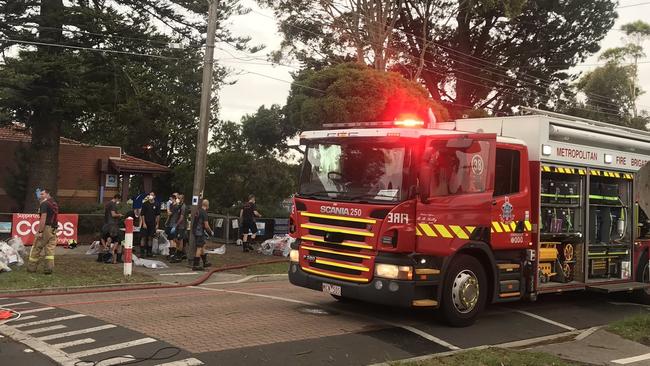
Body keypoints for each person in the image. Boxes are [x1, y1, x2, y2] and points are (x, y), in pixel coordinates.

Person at [27, 188, 59, 274]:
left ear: (48, 194)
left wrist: (40, 231)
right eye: (40, 194)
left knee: (37, 247)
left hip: (46, 228)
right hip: (54, 229)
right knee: (50, 249)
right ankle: (49, 269)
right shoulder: (53, 203)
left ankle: (31, 268)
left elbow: (43, 218)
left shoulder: (44, 204)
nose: (40, 195)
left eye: (42, 194)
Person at [192, 199, 214, 271]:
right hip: (200, 232)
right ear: (207, 205)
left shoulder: (198, 211)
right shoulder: (204, 213)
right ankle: (196, 265)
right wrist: (210, 232)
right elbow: (206, 225)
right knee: (199, 248)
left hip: (196, 231)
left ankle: (205, 262)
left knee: (202, 245)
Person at [101, 194, 123, 262]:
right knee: (118, 241)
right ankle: (117, 258)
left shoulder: (108, 204)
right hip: (112, 225)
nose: (118, 201)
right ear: (117, 198)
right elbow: (113, 214)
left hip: (106, 224)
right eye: (118, 200)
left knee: (108, 239)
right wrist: (119, 215)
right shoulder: (113, 204)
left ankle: (105, 256)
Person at [139, 192, 160, 257]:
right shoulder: (145, 204)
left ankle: (149, 252)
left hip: (152, 223)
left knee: (150, 237)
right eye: (150, 195)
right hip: (146, 223)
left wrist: (157, 224)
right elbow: (142, 214)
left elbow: (158, 215)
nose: (151, 196)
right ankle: (142, 252)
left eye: (152, 195)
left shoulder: (157, 204)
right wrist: (144, 223)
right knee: (143, 237)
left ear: (154, 196)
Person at [169, 194, 188, 263]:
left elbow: (181, 217)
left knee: (180, 240)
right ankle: (179, 252)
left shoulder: (183, 206)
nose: (178, 199)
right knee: (176, 239)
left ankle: (179, 255)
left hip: (181, 226)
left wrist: (176, 225)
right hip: (178, 226)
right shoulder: (179, 206)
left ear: (182, 199)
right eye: (178, 198)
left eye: (179, 198)